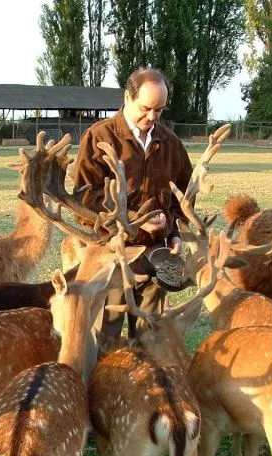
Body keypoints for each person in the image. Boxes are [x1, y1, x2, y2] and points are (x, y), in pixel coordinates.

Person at [73, 67, 193, 338]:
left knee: (150, 342)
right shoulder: (98, 138)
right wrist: (133, 220)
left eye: (159, 110)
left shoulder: (170, 143)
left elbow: (183, 197)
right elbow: (83, 200)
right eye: (145, 108)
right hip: (112, 256)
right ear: (128, 98)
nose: (152, 117)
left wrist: (172, 230)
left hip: (156, 258)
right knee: (106, 339)